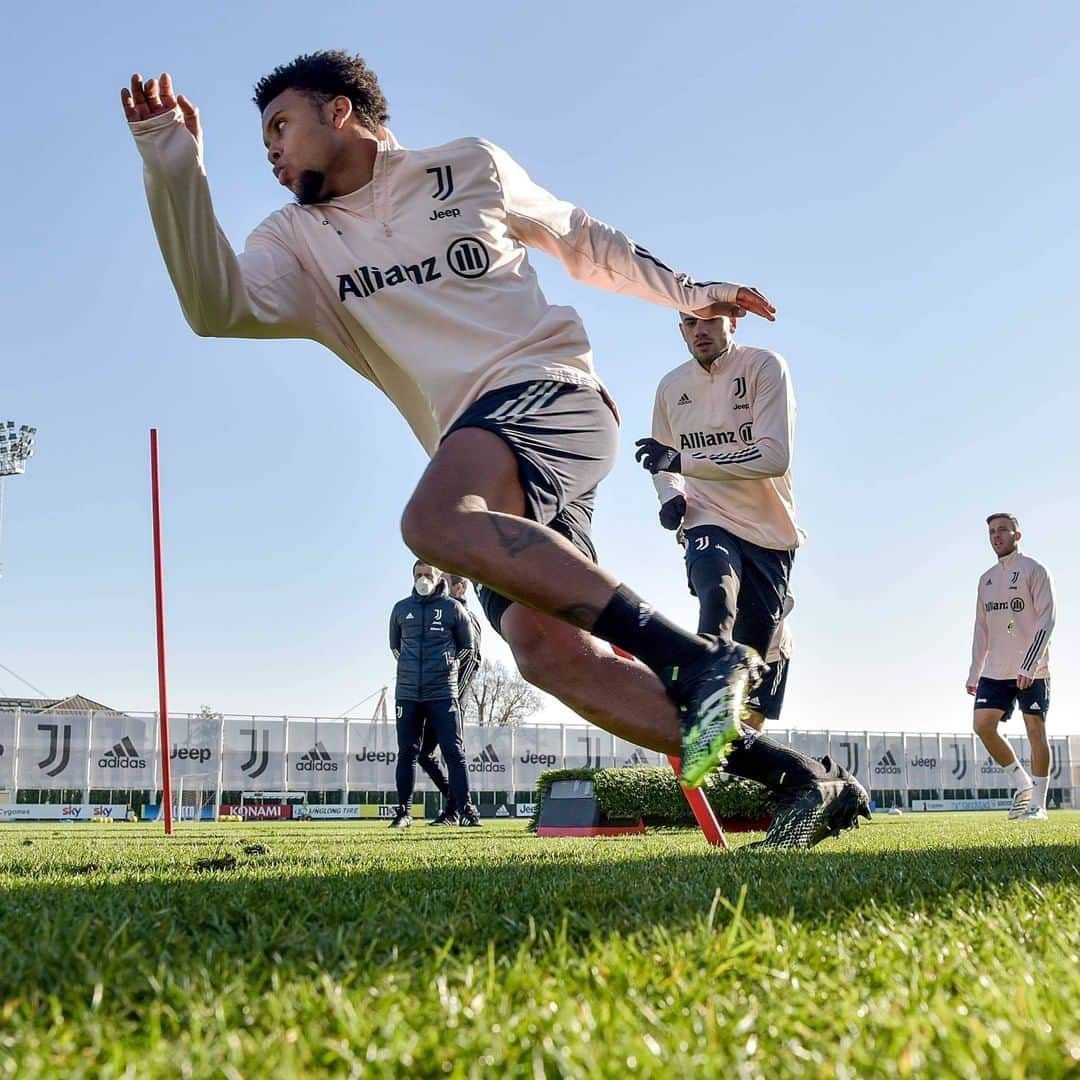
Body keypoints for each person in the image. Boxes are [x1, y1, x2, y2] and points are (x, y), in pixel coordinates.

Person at [120, 52, 865, 844]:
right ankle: (802, 779)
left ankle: (689, 659)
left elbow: (580, 237)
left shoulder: (466, 167)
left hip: (552, 394)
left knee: (432, 521)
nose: (268, 150)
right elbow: (213, 304)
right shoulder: (295, 240)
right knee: (549, 653)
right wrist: (171, 161)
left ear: (339, 111)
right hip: (476, 451)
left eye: (280, 126)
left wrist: (689, 291)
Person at [637, 311, 803, 732]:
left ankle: (731, 750)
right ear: (680, 331)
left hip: (770, 532)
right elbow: (662, 459)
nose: (700, 330)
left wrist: (683, 461)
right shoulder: (671, 387)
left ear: (733, 324)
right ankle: (700, 694)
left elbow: (773, 456)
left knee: (750, 665)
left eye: (710, 321)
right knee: (717, 594)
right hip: (706, 517)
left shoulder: (765, 366)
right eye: (690, 323)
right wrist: (671, 493)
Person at [966, 513, 1056, 821]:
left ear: (1017, 535)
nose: (996, 535)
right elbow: (981, 628)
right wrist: (974, 671)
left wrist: (1030, 663)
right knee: (982, 726)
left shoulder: (1035, 570)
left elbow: (1047, 619)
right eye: (991, 531)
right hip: (995, 670)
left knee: (1035, 729)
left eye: (1003, 529)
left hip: (1032, 669)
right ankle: (1021, 782)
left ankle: (1038, 804)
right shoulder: (986, 579)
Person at [389, 561, 479, 828]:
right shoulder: (400, 609)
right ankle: (404, 813)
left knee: (454, 751)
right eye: (419, 575)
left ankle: (466, 810)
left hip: (442, 693)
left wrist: (444, 671)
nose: (423, 579)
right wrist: (409, 673)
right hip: (407, 694)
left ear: (438, 576)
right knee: (407, 752)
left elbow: (467, 649)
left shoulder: (453, 608)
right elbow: (395, 649)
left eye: (428, 574)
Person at [416, 572, 483, 826]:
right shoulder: (438, 616)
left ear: (460, 588)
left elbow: (472, 659)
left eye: (443, 582)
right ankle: (454, 804)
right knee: (424, 754)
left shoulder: (464, 616)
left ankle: (457, 811)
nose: (437, 586)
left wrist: (454, 695)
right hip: (433, 696)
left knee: (452, 752)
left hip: (452, 698)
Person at [746, 594, 794, 728]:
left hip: (771, 655)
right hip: (739, 654)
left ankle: (751, 747)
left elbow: (789, 600)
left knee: (753, 716)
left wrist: (762, 630)